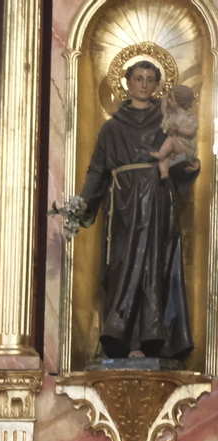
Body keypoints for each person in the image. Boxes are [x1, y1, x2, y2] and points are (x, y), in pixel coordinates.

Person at [77, 59, 198, 363]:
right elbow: (97, 170)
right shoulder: (111, 128)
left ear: (158, 85)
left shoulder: (167, 121)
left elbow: (182, 152)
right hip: (125, 206)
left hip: (158, 202)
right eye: (138, 78)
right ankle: (120, 339)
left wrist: (188, 165)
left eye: (150, 79)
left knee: (156, 267)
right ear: (127, 82)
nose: (143, 85)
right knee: (123, 266)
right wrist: (81, 205)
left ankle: (154, 340)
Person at [151, 82, 198, 180]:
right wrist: (164, 98)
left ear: (179, 101)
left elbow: (192, 131)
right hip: (175, 147)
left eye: (171, 99)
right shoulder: (172, 116)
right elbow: (164, 112)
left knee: (169, 141)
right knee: (164, 156)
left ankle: (160, 154)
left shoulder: (189, 116)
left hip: (185, 145)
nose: (169, 101)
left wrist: (179, 129)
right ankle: (164, 173)